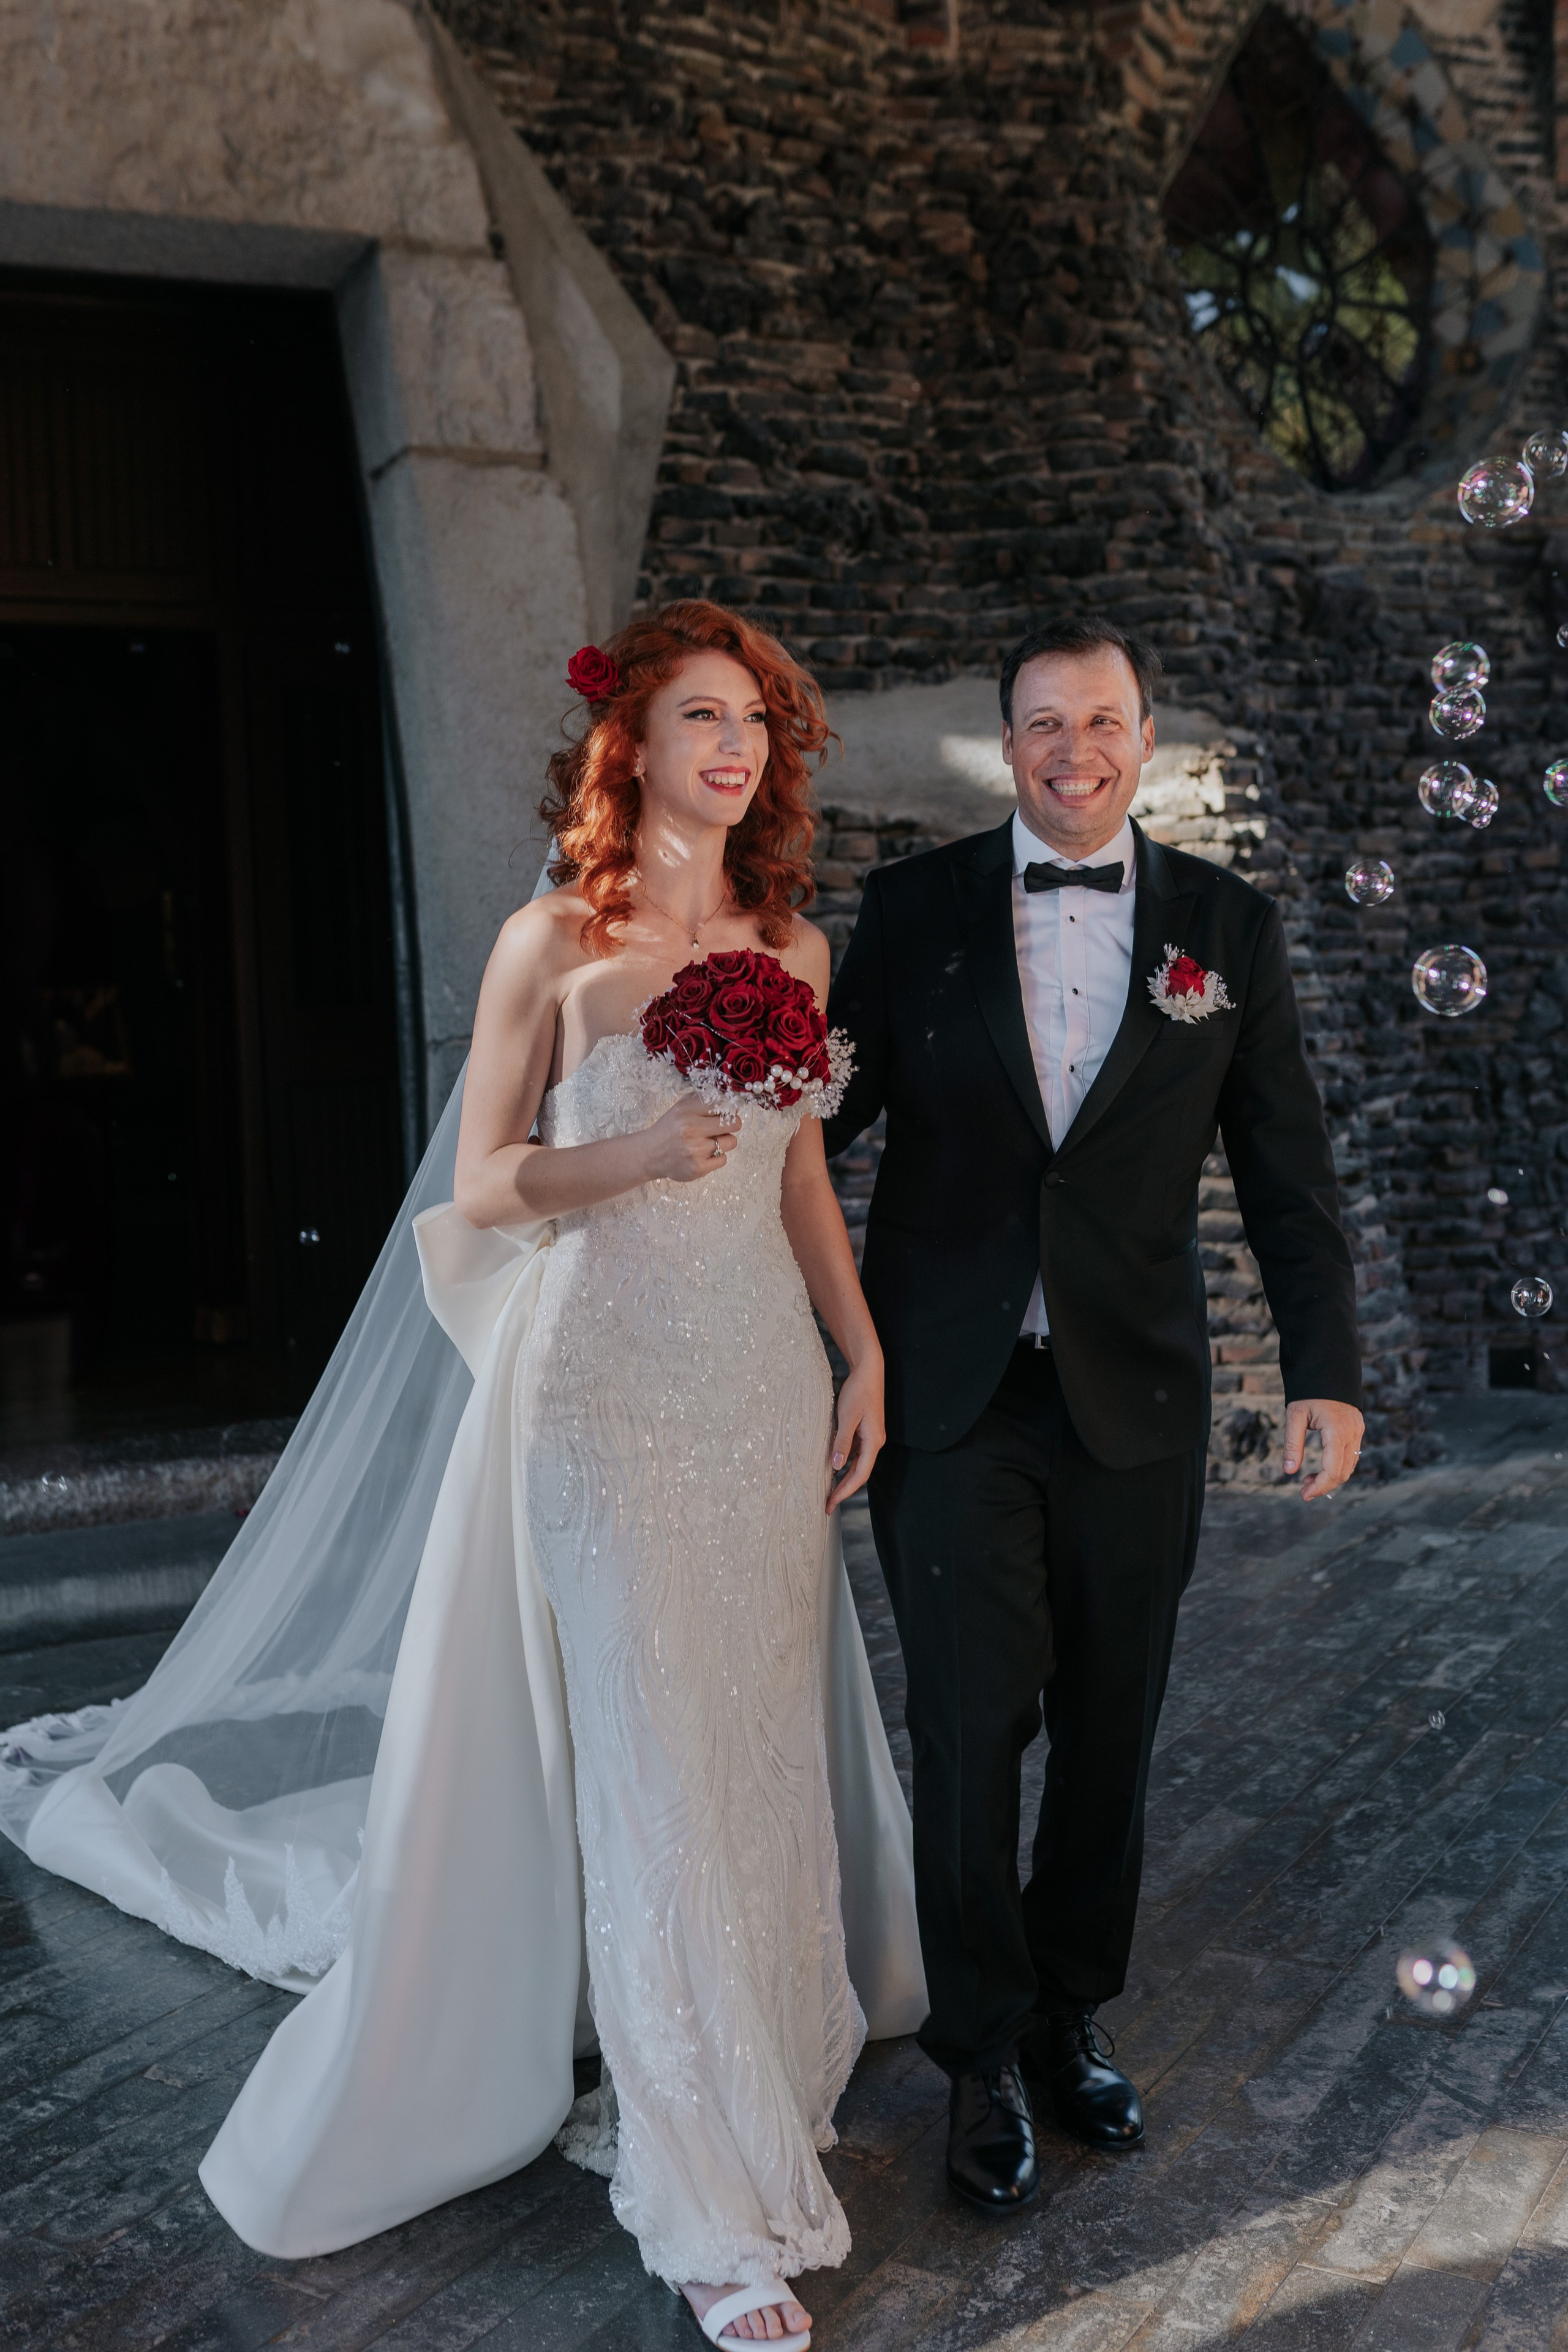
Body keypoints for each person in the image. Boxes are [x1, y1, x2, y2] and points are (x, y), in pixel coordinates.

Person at [189, 599, 924, 2348]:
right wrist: (638, 1153)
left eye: (754, 721)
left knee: (750, 1744)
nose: (734, 748)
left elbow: (801, 1178)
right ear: (633, 747)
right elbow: (482, 1187)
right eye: (700, 717)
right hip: (606, 1401)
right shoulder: (553, 947)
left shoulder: (796, 948)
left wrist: (862, 1349)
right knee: (657, 1765)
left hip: (758, 1389)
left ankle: (753, 2064)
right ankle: (706, 2212)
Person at [823, 615, 1363, 2212]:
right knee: (970, 1722)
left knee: (1112, 1727)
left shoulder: (1226, 929)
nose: (1076, 751)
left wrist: (1327, 1370)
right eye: (1046, 723)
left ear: (1146, 738)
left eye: (1104, 720)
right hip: (952, 1392)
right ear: (1008, 744)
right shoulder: (913, 910)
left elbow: (1287, 1171)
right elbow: (816, 1119)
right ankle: (981, 2052)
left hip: (1137, 1394)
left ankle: (1069, 2018)